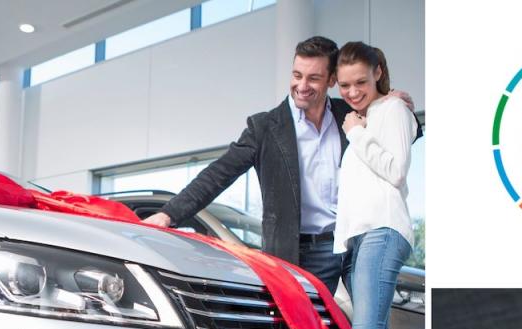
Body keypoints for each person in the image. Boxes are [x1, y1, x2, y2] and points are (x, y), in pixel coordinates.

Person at [143, 36, 418, 295]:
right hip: (302, 252)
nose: (302, 85)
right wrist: (169, 215)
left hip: (354, 241)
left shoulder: (349, 113)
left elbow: (398, 137)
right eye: (297, 75)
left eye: (314, 78)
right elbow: (219, 173)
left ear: (332, 80)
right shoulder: (265, 128)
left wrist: (394, 104)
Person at [332, 42, 423, 329]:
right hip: (362, 238)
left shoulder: (391, 111)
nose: (352, 92)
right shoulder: (369, 116)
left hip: (384, 232)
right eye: (345, 84)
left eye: (361, 82)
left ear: (379, 73)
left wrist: (355, 131)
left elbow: (397, 170)